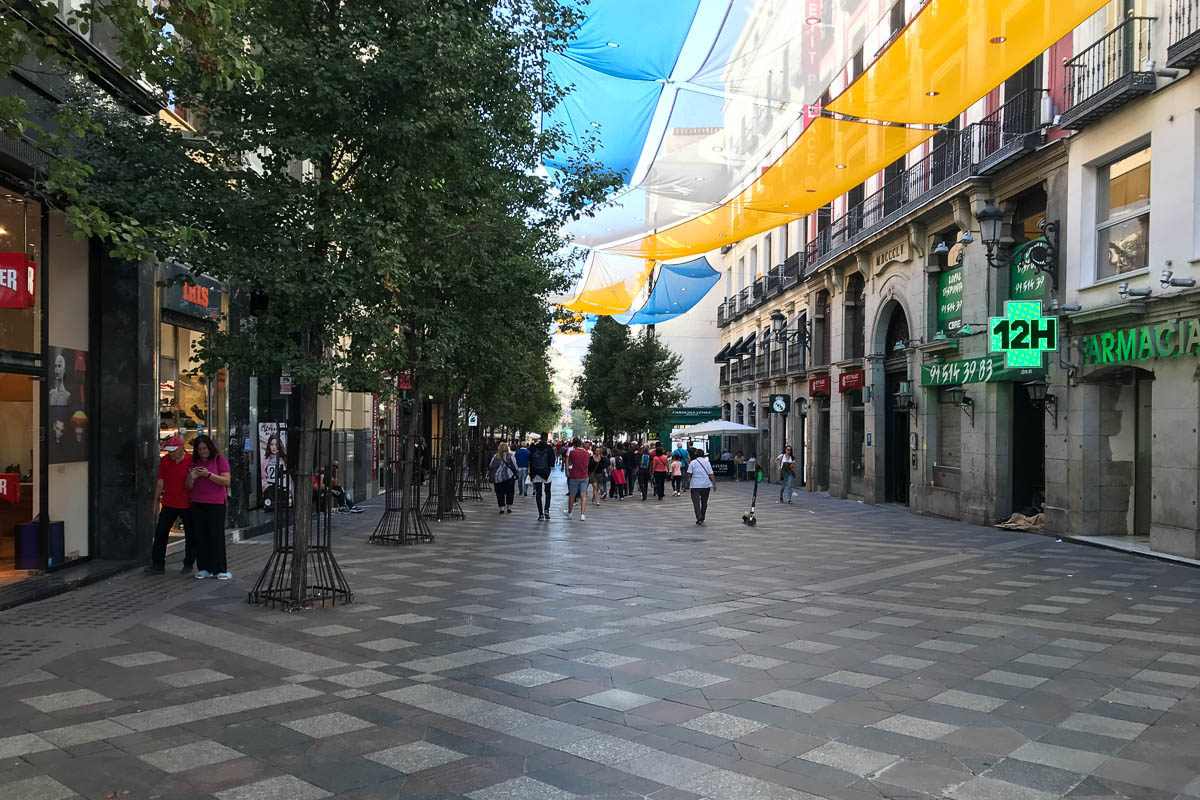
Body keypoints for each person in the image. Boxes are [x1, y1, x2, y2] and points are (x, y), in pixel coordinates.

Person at [145, 436, 193, 575]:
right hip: (169, 502)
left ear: (181, 449)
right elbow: (160, 481)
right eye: (169, 451)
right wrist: (156, 501)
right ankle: (158, 564)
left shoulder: (190, 461)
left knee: (191, 535)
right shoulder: (165, 461)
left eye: (173, 450)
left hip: (187, 503)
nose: (170, 453)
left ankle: (189, 563)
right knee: (161, 533)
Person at [186, 435, 231, 580]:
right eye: (199, 449)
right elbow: (188, 487)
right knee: (200, 536)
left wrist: (208, 475)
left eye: (204, 448)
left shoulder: (219, 460)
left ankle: (220, 569)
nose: (202, 451)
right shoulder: (194, 462)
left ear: (210, 447)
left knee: (216, 536)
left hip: (216, 504)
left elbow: (225, 481)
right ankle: (204, 568)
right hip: (198, 503)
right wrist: (192, 476)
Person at [563, 436, 591, 520]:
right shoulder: (587, 453)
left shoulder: (573, 452)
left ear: (574, 445)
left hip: (574, 475)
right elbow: (588, 463)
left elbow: (570, 462)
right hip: (584, 475)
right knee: (583, 495)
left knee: (572, 494)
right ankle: (582, 514)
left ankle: (570, 512)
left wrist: (567, 470)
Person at [528, 434, 555, 520]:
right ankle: (546, 509)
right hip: (546, 472)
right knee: (548, 492)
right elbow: (552, 462)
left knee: (538, 494)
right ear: (546, 438)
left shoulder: (533, 447)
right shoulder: (549, 448)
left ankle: (540, 514)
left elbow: (530, 459)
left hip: (536, 472)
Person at [489, 442, 519, 514]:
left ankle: (502, 509)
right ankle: (509, 508)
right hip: (509, 477)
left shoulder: (496, 456)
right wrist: (516, 473)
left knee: (500, 493)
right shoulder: (510, 456)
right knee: (510, 493)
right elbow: (515, 466)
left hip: (498, 478)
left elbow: (491, 466)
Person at [687, 449, 716, 524]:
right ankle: (702, 516)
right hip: (706, 485)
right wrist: (714, 484)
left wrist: (687, 482)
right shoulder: (707, 462)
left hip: (695, 485)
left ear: (696, 455)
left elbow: (689, 473)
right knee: (704, 502)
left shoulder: (693, 463)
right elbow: (711, 474)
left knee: (696, 502)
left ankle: (699, 517)